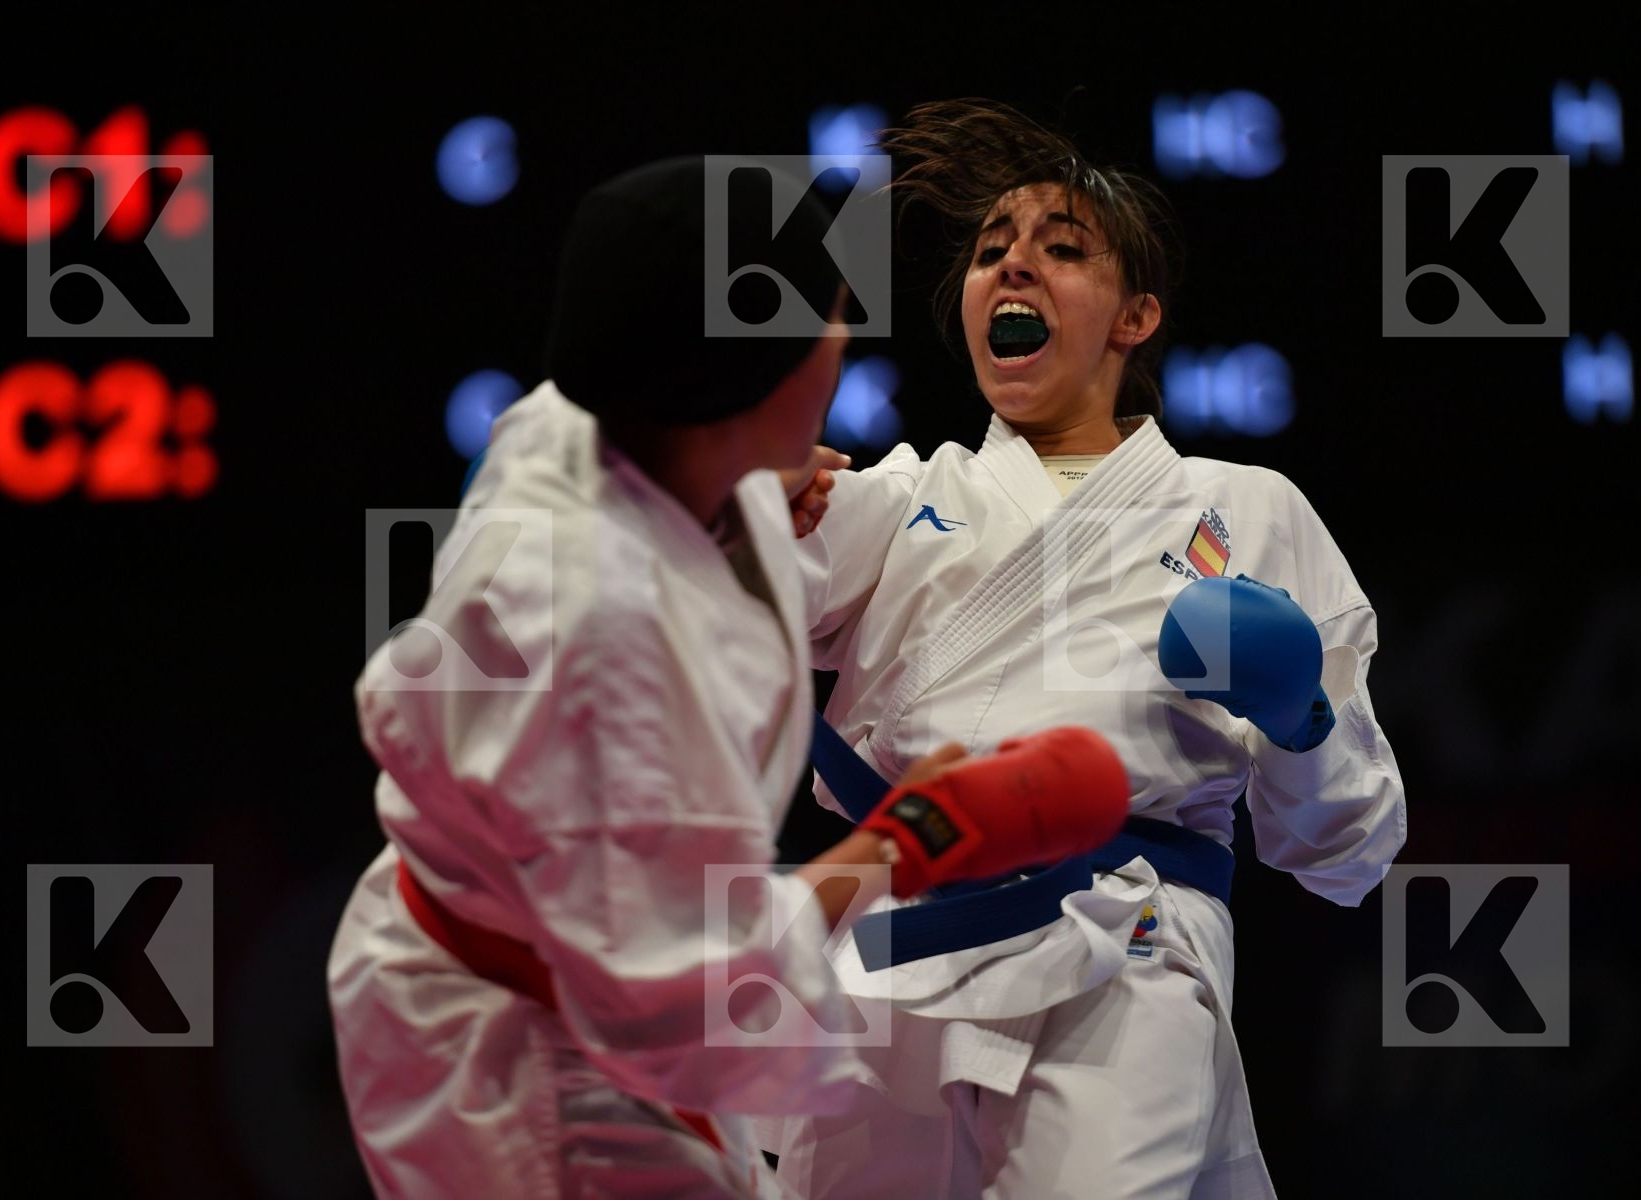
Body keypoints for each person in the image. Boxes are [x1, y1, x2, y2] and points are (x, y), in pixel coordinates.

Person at [326, 154, 1135, 1199]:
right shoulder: (610, 642)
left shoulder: (601, 423)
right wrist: (915, 837)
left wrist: (755, 475)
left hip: (542, 955)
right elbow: (682, 1004)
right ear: (767, 366)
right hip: (524, 1061)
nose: (846, 342)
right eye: (833, 319)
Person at [763, 100, 1408, 1198]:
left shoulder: (1245, 509)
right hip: (889, 947)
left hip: (1122, 937)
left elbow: (1348, 852)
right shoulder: (900, 495)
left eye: (1062, 251)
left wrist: (1299, 713)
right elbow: (721, 621)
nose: (1013, 269)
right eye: (989, 252)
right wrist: (756, 505)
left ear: (1135, 316)